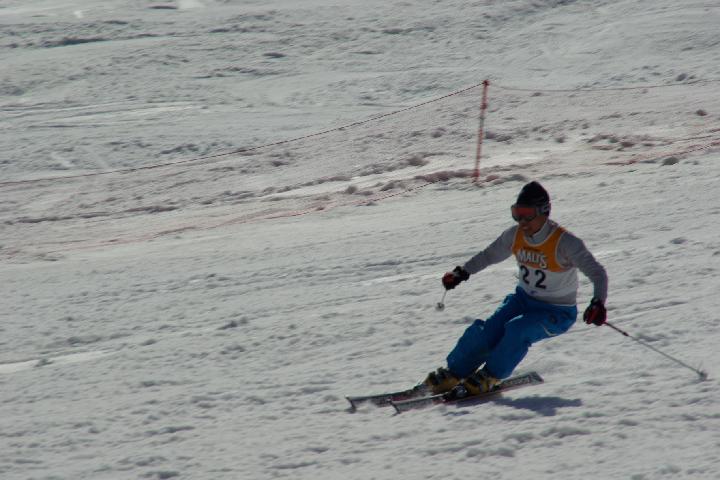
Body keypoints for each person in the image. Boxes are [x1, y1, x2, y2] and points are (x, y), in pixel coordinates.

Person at [424, 181, 608, 397]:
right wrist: (462, 272)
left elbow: (598, 273)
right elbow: (488, 255)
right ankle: (454, 373)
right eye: (517, 214)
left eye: (528, 215)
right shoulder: (515, 235)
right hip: (522, 300)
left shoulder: (566, 243)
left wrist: (598, 303)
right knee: (488, 330)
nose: (522, 221)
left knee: (516, 331)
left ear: (545, 211)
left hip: (557, 311)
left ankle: (491, 375)